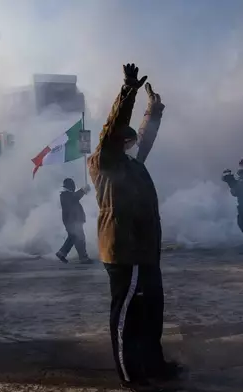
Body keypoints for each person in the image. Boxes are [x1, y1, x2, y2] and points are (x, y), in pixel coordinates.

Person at [88, 64, 180, 391]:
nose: (131, 144)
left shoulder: (130, 162)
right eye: (125, 140)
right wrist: (127, 91)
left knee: (152, 311)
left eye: (130, 141)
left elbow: (145, 137)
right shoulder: (104, 161)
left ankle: (154, 365)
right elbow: (114, 127)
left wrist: (152, 109)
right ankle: (130, 374)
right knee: (127, 315)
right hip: (124, 250)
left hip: (144, 251)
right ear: (115, 142)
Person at [55, 178, 94, 264]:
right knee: (79, 238)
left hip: (73, 220)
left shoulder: (67, 195)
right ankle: (83, 258)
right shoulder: (65, 195)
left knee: (74, 237)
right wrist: (83, 190)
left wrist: (83, 191)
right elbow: (74, 198)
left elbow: (75, 197)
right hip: (72, 221)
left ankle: (62, 253)